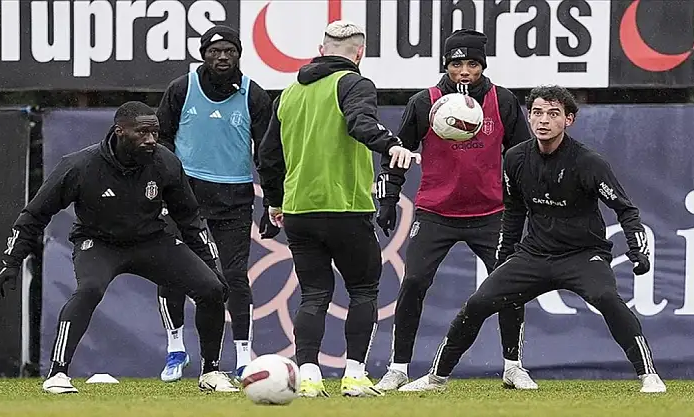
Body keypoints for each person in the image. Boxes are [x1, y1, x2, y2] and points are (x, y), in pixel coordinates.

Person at [397, 85, 667, 393]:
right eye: (537, 112)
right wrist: (504, 260)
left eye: (553, 114)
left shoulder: (589, 162)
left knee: (607, 299)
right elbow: (513, 213)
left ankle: (649, 375)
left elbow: (626, 209)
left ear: (569, 120)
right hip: (534, 255)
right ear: (529, 117)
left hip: (582, 256)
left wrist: (638, 250)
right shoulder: (515, 158)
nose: (544, 120)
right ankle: (436, 379)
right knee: (478, 303)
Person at [0, 102, 238, 394]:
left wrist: (212, 267)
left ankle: (210, 372)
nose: (151, 140)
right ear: (120, 131)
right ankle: (57, 374)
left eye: (155, 133)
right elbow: (34, 215)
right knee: (89, 289)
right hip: (99, 243)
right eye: (142, 132)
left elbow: (190, 220)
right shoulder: (80, 166)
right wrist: (12, 262)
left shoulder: (166, 162)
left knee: (211, 289)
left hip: (152, 242)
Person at [257, 20, 421, 398]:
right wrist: (390, 144)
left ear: (321, 49)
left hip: (299, 210)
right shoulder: (354, 83)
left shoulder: (289, 93)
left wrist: (275, 202)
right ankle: (354, 376)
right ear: (359, 53)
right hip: (346, 207)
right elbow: (359, 123)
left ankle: (308, 377)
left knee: (313, 294)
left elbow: (267, 156)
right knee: (363, 290)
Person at [374, 29, 537, 391]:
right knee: (414, 282)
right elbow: (397, 153)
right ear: (445, 65)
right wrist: (388, 198)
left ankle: (513, 366)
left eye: (473, 64)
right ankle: (398, 368)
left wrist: (529, 203)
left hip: (491, 213)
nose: (464, 71)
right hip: (436, 212)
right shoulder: (424, 102)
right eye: (457, 64)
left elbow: (524, 157)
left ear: (483, 65)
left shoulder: (502, 101)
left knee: (510, 286)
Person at [155, 25, 275, 384]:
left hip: (234, 195)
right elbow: (161, 141)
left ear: (239, 55)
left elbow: (268, 153)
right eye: (215, 51)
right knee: (171, 271)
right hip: (185, 194)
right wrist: (165, 188)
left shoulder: (254, 94)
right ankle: (175, 348)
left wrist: (273, 200)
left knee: (234, 276)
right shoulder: (182, 88)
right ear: (203, 54)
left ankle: (243, 357)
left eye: (229, 51)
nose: (222, 57)